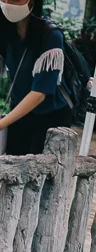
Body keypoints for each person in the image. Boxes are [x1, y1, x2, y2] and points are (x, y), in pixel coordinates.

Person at [0, 0, 72, 155]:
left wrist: (2, 123)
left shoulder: (50, 35)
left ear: (32, 2)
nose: (7, 3)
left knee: (42, 171)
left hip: (51, 118)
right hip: (19, 111)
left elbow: (40, 93)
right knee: (12, 168)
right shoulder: (5, 30)